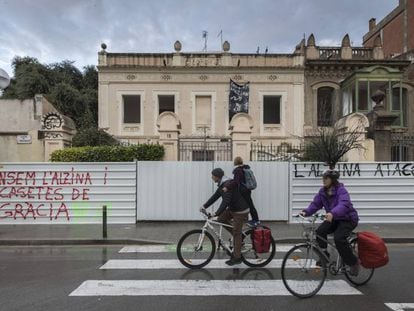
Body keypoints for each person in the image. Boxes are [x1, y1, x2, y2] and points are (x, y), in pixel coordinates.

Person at [300, 169, 360, 276]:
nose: (323, 180)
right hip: (334, 219)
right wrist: (306, 211)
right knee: (320, 231)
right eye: (323, 178)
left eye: (326, 178)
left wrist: (332, 213)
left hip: (348, 219)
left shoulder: (341, 190)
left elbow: (344, 204)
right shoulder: (322, 192)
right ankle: (324, 256)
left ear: (332, 180)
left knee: (339, 238)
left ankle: (353, 263)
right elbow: (315, 204)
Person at [200, 168, 250, 266]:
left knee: (236, 233)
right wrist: (204, 206)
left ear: (217, 177)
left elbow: (225, 201)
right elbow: (215, 196)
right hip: (233, 209)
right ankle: (239, 238)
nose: (211, 177)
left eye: (212, 176)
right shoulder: (222, 184)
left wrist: (216, 213)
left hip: (240, 211)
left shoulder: (227, 185)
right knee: (221, 219)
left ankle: (237, 257)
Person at [232, 156, 260, 227]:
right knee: (248, 204)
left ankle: (256, 220)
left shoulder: (238, 170)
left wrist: (229, 185)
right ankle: (252, 220)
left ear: (236, 162)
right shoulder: (246, 168)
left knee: (249, 205)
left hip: (242, 190)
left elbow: (236, 182)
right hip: (247, 189)